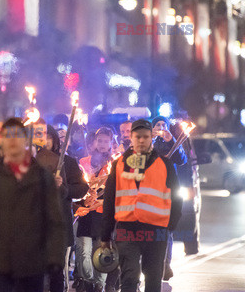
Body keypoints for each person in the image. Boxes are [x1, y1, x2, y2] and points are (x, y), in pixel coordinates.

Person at [0, 118, 66, 292]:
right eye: (8, 135)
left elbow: (54, 221)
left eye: (17, 134)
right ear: (2, 141)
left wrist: (55, 258)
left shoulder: (42, 177)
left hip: (32, 263)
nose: (12, 139)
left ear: (25, 139)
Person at [101, 119, 183, 292]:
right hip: (127, 230)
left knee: (153, 279)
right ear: (131, 137)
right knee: (129, 277)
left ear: (151, 138)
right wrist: (105, 235)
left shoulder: (164, 163)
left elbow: (176, 196)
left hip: (157, 230)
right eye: (137, 137)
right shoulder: (119, 164)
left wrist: (171, 225)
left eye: (145, 137)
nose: (141, 140)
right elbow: (109, 199)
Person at [38, 124, 89, 292]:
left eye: (48, 136)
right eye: (39, 135)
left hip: (58, 222)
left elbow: (82, 188)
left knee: (55, 271)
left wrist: (64, 188)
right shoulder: (29, 162)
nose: (44, 140)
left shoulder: (67, 161)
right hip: (34, 224)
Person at [75, 127, 117, 292]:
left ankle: (99, 284)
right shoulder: (83, 162)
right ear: (94, 142)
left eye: (106, 141)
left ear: (111, 144)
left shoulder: (114, 164)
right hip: (85, 213)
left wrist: (101, 201)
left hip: (102, 214)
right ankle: (89, 280)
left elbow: (115, 190)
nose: (102, 144)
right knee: (83, 251)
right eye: (99, 140)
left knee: (100, 251)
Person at [151, 116, 187, 281]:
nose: (161, 127)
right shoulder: (147, 142)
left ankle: (165, 265)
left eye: (163, 124)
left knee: (166, 232)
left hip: (168, 192)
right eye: (157, 125)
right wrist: (150, 138)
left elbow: (181, 159)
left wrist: (172, 140)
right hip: (150, 193)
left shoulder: (173, 142)